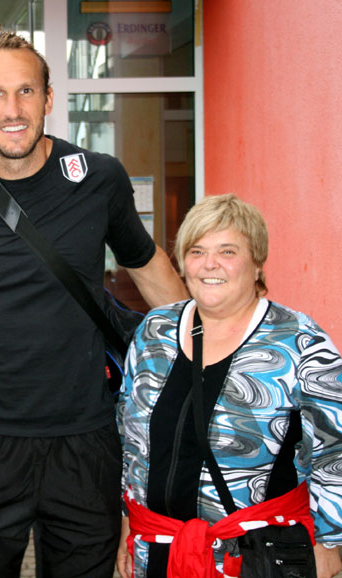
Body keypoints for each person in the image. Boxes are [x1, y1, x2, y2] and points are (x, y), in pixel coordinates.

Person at [0, 31, 188, 578]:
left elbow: (147, 264)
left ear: (48, 98)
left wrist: (208, 345)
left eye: (26, 91)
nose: (12, 109)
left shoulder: (98, 177)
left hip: (84, 438)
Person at [117, 194, 342, 578]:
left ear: (257, 262)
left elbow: (334, 451)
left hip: (258, 557)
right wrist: (128, 524)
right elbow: (130, 437)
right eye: (197, 250)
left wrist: (329, 543)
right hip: (155, 551)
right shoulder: (156, 330)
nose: (209, 265)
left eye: (227, 251)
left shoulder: (299, 343)